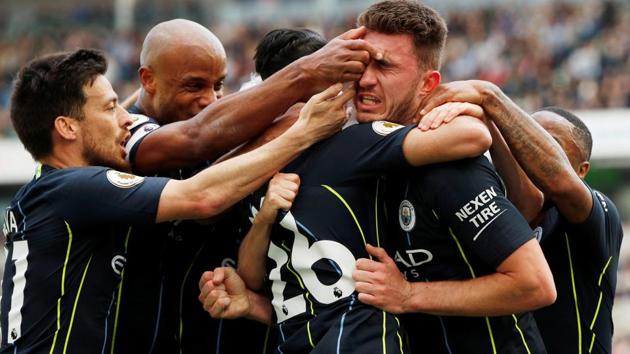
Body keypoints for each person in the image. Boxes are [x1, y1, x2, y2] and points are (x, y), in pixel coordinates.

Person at [200, 1, 554, 353]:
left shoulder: (450, 168)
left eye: (384, 66)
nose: (366, 79)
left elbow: (534, 284)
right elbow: (343, 299)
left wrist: (410, 295)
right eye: (361, 64)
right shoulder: (364, 162)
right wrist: (252, 302)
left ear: (427, 82)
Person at [0, 48, 351, 354]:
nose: (127, 118)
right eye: (109, 109)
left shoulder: (51, 190)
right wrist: (302, 133)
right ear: (67, 128)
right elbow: (202, 197)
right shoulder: (74, 188)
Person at [114, 19, 379, 354]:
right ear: (148, 80)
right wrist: (301, 109)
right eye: (194, 86)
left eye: (218, 85)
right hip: (138, 333)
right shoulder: (123, 131)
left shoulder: (244, 131)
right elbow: (201, 169)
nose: (209, 99)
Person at [418, 80, 624, 354]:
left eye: (548, 143)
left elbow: (558, 181)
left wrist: (488, 96)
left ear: (582, 169)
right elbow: (527, 198)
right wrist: (490, 121)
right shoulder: (499, 211)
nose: (527, 150)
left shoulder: (600, 214)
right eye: (524, 137)